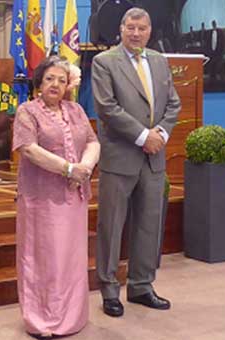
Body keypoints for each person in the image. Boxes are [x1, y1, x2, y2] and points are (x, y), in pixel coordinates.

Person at [91, 7, 181, 318]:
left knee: (149, 225)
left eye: (142, 28)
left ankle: (142, 286)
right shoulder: (105, 62)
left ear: (150, 30)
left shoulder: (158, 60)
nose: (136, 33)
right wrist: (143, 136)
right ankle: (109, 290)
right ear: (121, 28)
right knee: (111, 226)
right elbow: (106, 108)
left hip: (154, 158)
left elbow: (173, 103)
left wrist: (160, 134)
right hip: (121, 155)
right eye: (131, 27)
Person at [12, 56, 100, 340]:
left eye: (62, 80)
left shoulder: (75, 110)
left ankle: (72, 316)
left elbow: (92, 141)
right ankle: (41, 320)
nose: (56, 84)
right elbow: (28, 149)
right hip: (41, 200)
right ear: (39, 82)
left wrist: (85, 167)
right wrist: (69, 169)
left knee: (70, 258)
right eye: (50, 78)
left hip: (74, 198)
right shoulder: (27, 111)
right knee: (43, 258)